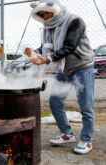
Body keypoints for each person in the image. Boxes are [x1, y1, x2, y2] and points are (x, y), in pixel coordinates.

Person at [25, 0, 95, 154]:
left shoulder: (74, 21)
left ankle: (86, 139)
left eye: (46, 13)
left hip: (82, 67)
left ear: (54, 9)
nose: (45, 17)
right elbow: (47, 47)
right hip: (62, 69)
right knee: (55, 101)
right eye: (41, 15)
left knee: (86, 106)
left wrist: (47, 59)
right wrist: (33, 52)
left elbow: (69, 46)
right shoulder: (48, 26)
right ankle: (66, 133)